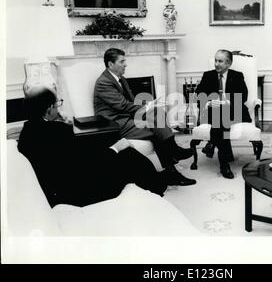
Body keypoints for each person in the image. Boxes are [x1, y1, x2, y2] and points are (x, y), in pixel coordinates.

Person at [18, 86, 170, 208]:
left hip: (59, 186)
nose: (58, 108)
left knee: (119, 152)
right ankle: (157, 187)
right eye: (57, 104)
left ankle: (156, 182)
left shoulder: (26, 134)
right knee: (126, 155)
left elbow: (70, 155)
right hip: (77, 192)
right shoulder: (58, 131)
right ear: (50, 108)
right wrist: (115, 149)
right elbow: (86, 163)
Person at [94, 48, 196, 186]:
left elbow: (131, 102)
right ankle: (173, 165)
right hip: (114, 123)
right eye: (122, 61)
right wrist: (148, 107)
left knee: (159, 113)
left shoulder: (121, 79)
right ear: (111, 64)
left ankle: (173, 156)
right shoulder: (103, 82)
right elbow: (123, 106)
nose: (125, 64)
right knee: (157, 131)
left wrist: (150, 104)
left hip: (126, 117)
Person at [195, 50, 251, 178]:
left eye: (220, 61)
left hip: (234, 111)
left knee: (222, 114)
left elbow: (244, 96)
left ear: (229, 63)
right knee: (220, 117)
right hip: (214, 112)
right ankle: (224, 163)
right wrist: (209, 102)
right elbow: (199, 95)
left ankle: (212, 143)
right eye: (215, 60)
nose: (216, 64)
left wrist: (226, 102)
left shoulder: (237, 76)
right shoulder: (208, 75)